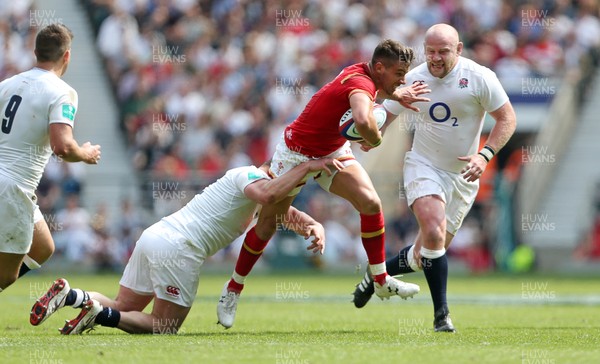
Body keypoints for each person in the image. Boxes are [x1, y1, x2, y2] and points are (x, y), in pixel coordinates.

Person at [216, 39, 430, 328]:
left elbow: (366, 106)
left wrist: (393, 94)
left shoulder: (368, 78)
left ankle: (379, 280)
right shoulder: (361, 84)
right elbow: (364, 121)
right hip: (296, 154)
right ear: (379, 67)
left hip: (332, 151)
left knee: (370, 203)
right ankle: (233, 289)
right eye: (399, 74)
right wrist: (375, 139)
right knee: (268, 224)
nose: (403, 80)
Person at [30, 158, 342, 334]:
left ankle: (71, 296)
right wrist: (307, 167)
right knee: (164, 327)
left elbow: (283, 212)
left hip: (157, 236)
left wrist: (313, 225)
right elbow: (269, 196)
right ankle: (97, 314)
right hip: (179, 249)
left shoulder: (260, 188)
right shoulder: (249, 175)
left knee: (125, 307)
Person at [352, 24, 517, 332]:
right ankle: (442, 315)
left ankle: (375, 276)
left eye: (443, 51)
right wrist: (372, 135)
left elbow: (507, 118)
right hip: (423, 165)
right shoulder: (413, 77)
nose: (436, 58)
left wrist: (484, 156)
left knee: (423, 254)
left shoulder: (480, 78)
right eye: (430, 52)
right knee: (432, 228)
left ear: (459, 49)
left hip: (463, 177)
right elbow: (387, 112)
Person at [0, 24, 101, 292]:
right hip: (12, 189)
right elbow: (63, 147)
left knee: (43, 247)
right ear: (67, 56)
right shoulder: (62, 91)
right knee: (5, 277)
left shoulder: (7, 84)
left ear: (35, 52)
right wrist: (86, 154)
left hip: (11, 185)